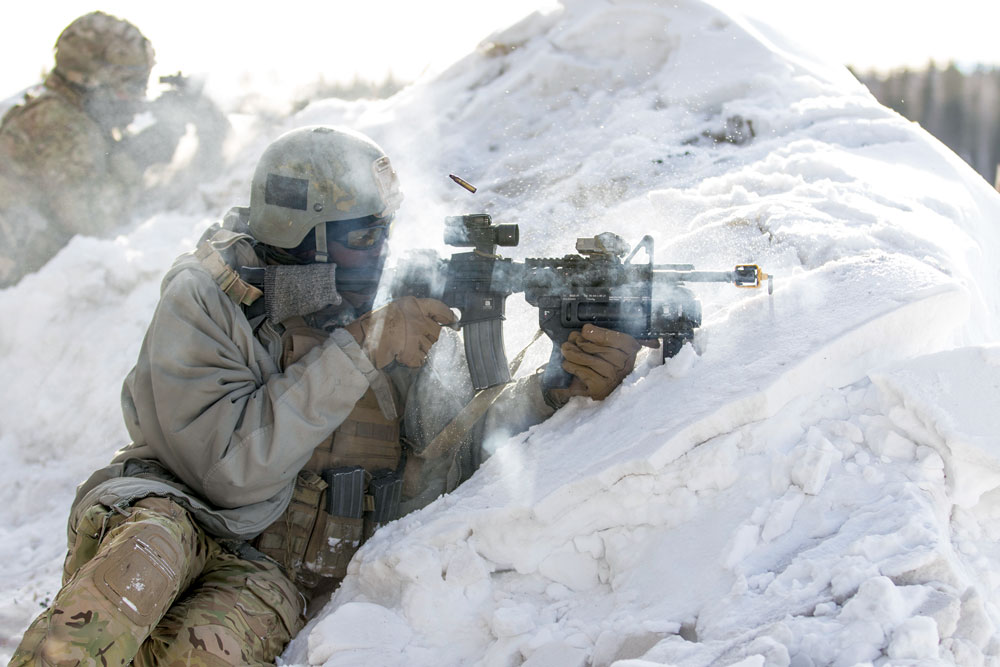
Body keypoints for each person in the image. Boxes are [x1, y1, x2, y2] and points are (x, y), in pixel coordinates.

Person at [10, 125, 646, 665]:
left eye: (385, 231)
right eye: (363, 236)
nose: (383, 251)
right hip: (180, 508)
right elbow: (228, 470)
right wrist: (363, 346)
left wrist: (551, 391)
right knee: (134, 574)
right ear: (302, 233)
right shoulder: (214, 294)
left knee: (203, 650)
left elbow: (447, 463)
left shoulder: (395, 309)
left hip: (277, 572)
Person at [0, 11, 197, 288]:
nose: (137, 97)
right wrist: (136, 159)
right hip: (19, 288)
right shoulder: (60, 126)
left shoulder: (66, 110)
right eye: (130, 85)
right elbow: (92, 220)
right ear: (91, 81)